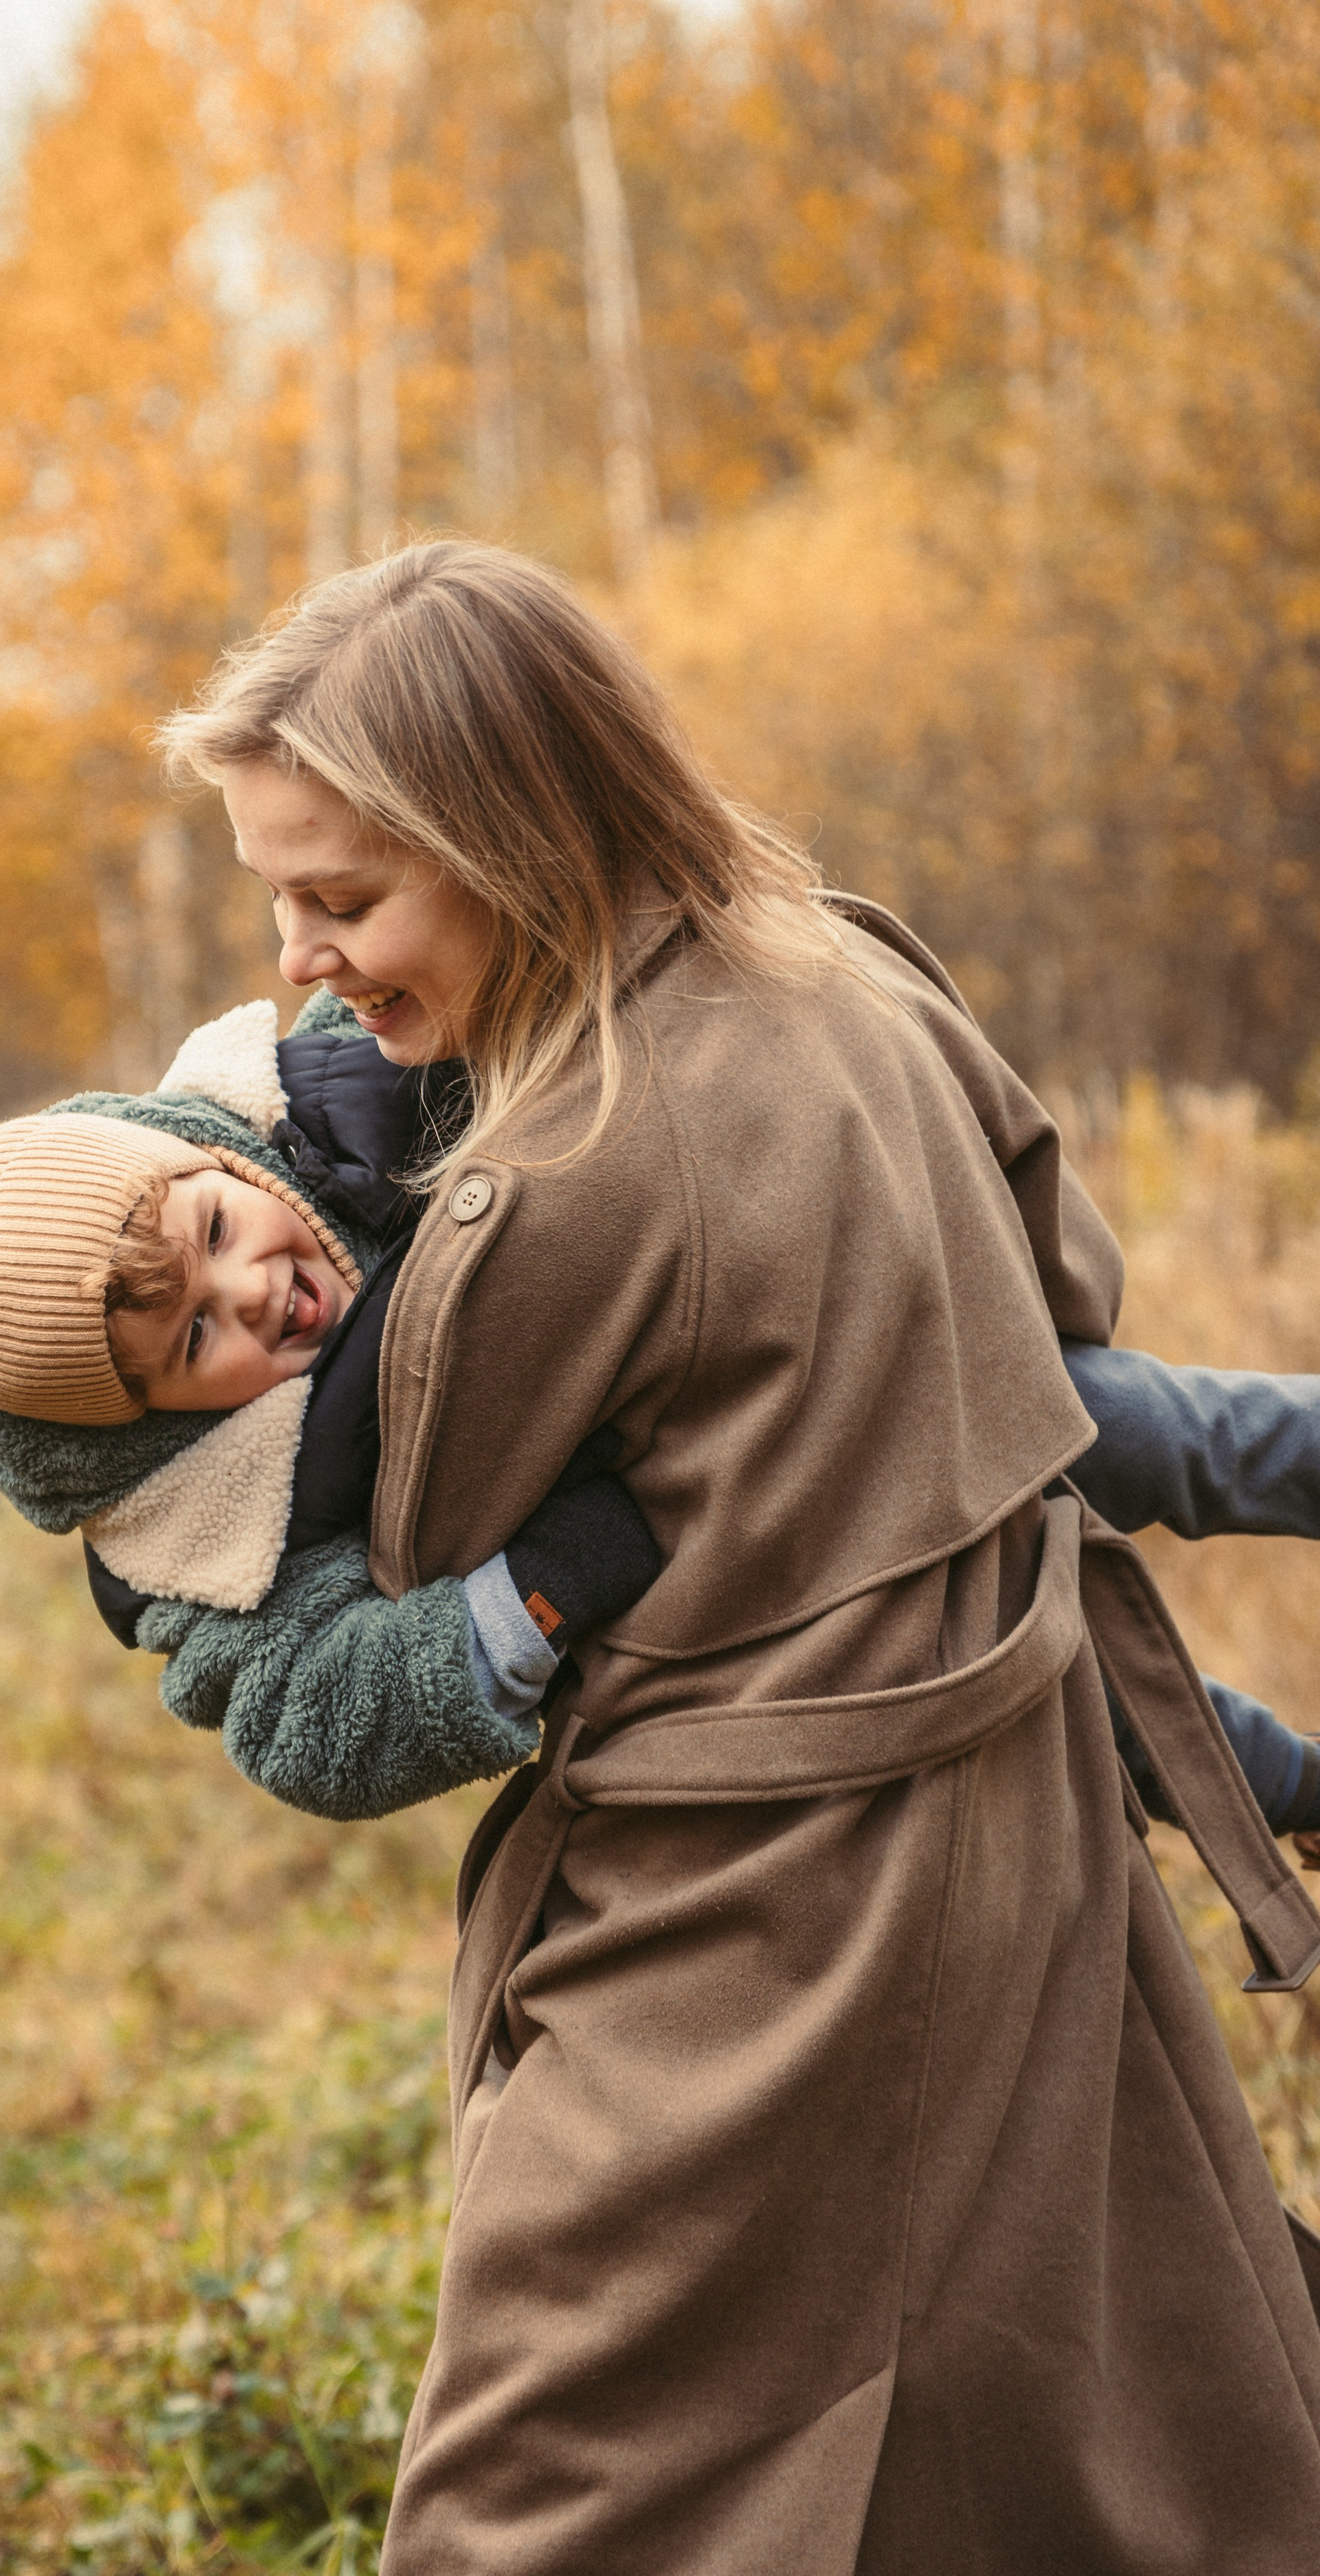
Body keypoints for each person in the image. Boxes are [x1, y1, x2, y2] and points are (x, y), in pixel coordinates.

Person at [144, 539, 1320, 2572]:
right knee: (1057, 2415)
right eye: (276, 896)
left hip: (744, 1932)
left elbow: (430, 1533)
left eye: (342, 896)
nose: (298, 957)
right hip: (1022, 1845)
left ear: (509, 835)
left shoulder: (554, 1174)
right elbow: (1065, 1296)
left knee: (552, 2481)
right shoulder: (854, 967)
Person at [0, 996, 1320, 1841]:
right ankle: (1290, 1790)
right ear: (149, 1422)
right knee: (1041, 1677)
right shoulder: (203, 1532)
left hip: (796, 1357)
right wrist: (525, 1596)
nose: (248, 1291)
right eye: (188, 1341)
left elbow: (541, 994)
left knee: (1113, 1419)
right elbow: (308, 1717)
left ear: (207, 1153)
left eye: (211, 1229)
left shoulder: (350, 1087)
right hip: (724, 1562)